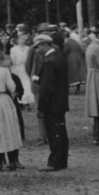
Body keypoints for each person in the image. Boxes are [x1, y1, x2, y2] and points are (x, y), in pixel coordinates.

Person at [36, 36, 70, 171]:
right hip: (60, 102)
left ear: (45, 45)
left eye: (38, 46)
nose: (37, 50)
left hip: (52, 104)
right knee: (61, 132)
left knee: (54, 133)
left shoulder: (50, 61)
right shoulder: (59, 57)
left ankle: (54, 162)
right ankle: (62, 161)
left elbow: (46, 87)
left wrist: (41, 108)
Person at [9, 32, 35, 106]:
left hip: (25, 68)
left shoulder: (28, 48)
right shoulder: (13, 49)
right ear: (17, 40)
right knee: (17, 83)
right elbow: (12, 60)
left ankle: (26, 101)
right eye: (21, 39)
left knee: (26, 83)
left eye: (24, 39)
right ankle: (18, 101)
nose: (22, 40)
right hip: (16, 67)